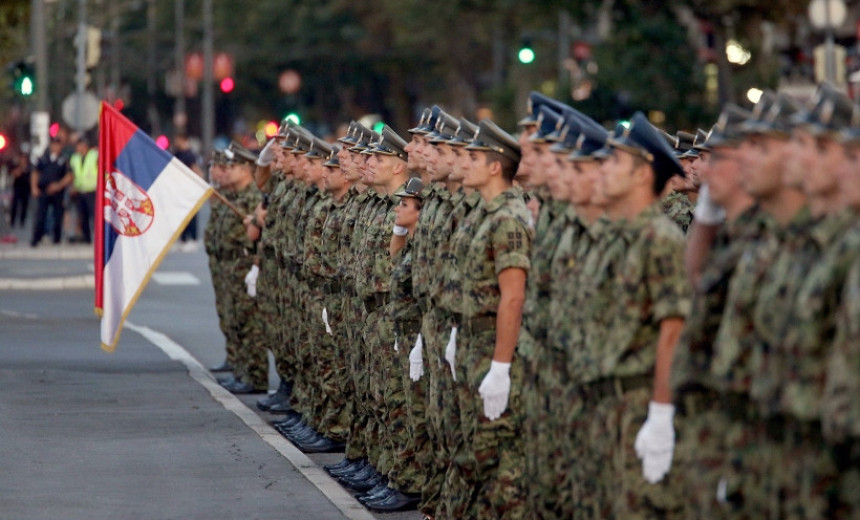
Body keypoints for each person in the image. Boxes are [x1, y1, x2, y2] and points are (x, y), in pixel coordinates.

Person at [31, 136, 72, 247]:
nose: (56, 147)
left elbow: (69, 175)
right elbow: (35, 172)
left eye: (58, 145)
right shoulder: (43, 158)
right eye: (54, 144)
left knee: (57, 216)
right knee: (40, 215)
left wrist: (59, 185)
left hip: (57, 192)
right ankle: (36, 239)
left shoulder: (63, 160)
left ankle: (56, 239)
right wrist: (34, 187)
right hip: (43, 191)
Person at [174, 133, 203, 251]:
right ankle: (183, 238)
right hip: (179, 187)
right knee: (181, 213)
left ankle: (193, 239)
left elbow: (195, 169)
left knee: (191, 214)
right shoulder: (177, 153)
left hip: (189, 187)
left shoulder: (190, 154)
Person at [69, 138, 98, 244]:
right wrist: (72, 186)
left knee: (94, 216)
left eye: (79, 145)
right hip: (79, 190)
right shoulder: (75, 158)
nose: (77, 148)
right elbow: (71, 173)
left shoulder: (94, 155)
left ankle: (98, 237)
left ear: (84, 146)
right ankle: (87, 238)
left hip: (92, 190)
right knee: (82, 216)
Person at [8, 146, 31, 228]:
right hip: (17, 187)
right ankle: (12, 221)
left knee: (24, 205)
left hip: (26, 188)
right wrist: (21, 167)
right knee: (15, 204)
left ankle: (22, 221)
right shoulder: (16, 165)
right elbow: (15, 174)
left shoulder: (29, 166)